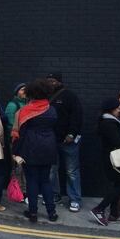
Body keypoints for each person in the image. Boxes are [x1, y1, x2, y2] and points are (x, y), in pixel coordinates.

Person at [13, 78, 59, 223]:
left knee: (32, 181)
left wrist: (16, 151)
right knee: (45, 181)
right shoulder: (51, 110)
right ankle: (52, 213)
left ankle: (33, 212)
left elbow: (21, 133)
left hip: (30, 147)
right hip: (49, 147)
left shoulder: (26, 110)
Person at [89, 98, 120, 226]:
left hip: (113, 158)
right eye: (117, 107)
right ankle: (99, 209)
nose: (119, 109)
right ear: (111, 109)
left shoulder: (111, 121)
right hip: (114, 159)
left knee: (119, 183)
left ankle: (114, 213)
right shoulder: (109, 123)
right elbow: (117, 141)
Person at [47, 72, 83, 212]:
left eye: (53, 81)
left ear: (59, 82)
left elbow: (77, 116)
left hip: (69, 140)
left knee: (71, 171)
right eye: (48, 80)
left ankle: (75, 199)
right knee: (51, 170)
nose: (50, 83)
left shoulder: (69, 96)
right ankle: (55, 195)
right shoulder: (46, 96)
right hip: (51, 140)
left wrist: (71, 134)